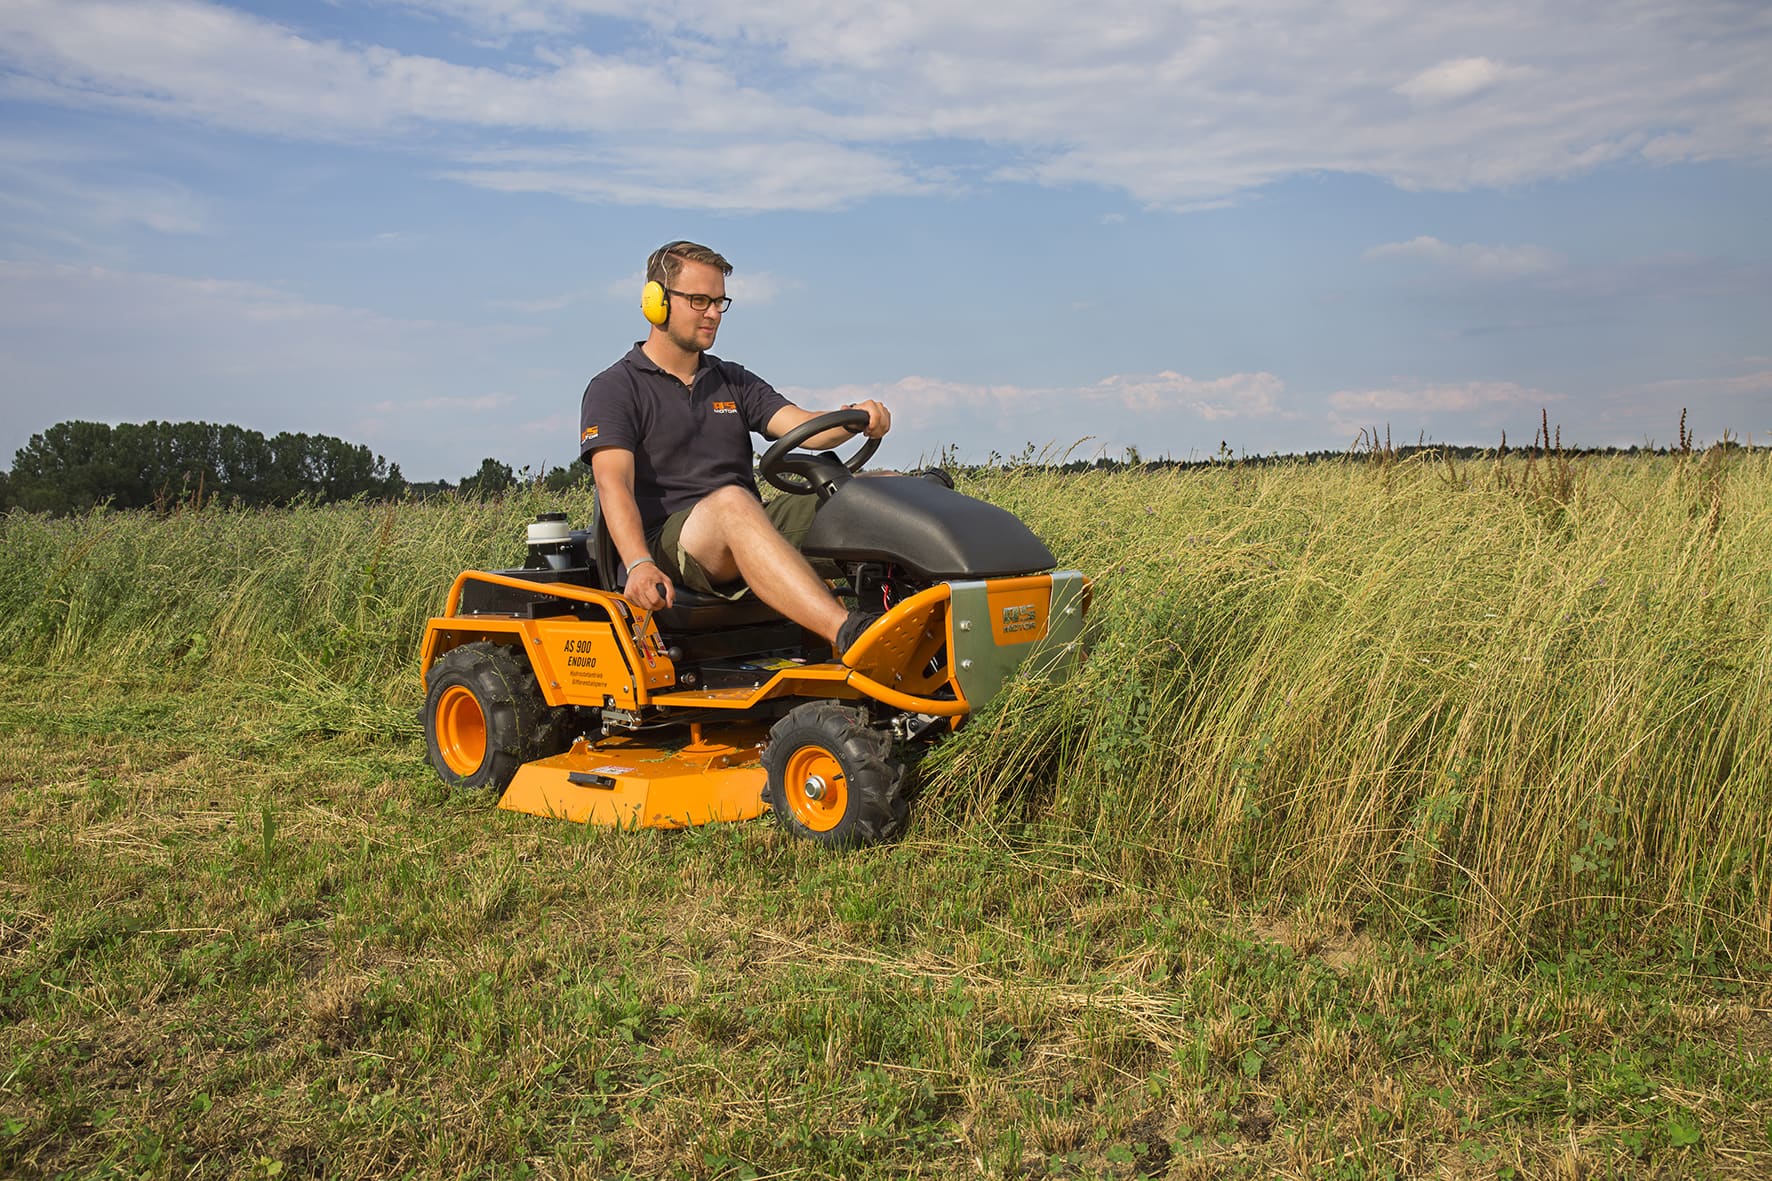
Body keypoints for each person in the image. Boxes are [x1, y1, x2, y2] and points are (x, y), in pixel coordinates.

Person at [579, 240, 890, 659]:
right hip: (672, 545)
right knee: (732, 502)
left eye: (719, 302)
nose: (712, 313)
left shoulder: (732, 379)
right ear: (656, 302)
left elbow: (807, 430)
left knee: (882, 492)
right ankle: (853, 637)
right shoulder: (615, 388)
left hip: (745, 523)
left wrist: (856, 418)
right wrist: (638, 564)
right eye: (698, 300)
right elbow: (612, 483)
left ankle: (934, 631)